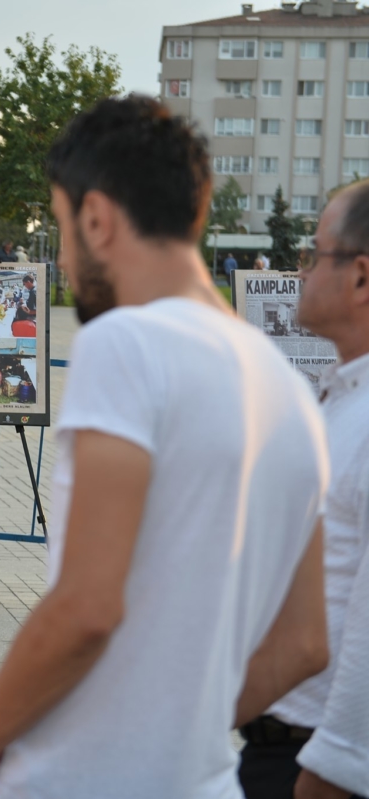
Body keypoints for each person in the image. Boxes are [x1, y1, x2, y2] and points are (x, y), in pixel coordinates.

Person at [0, 95, 329, 799]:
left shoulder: (126, 342)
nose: (65, 258)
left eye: (63, 230)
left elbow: (89, 603)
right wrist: (176, 728)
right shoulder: (291, 388)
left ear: (96, 217)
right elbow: (306, 642)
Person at [238, 179, 369, 799]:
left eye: (315, 256)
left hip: (316, 768)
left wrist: (334, 771)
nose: (302, 270)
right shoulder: (344, 399)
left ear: (361, 277)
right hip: (284, 748)